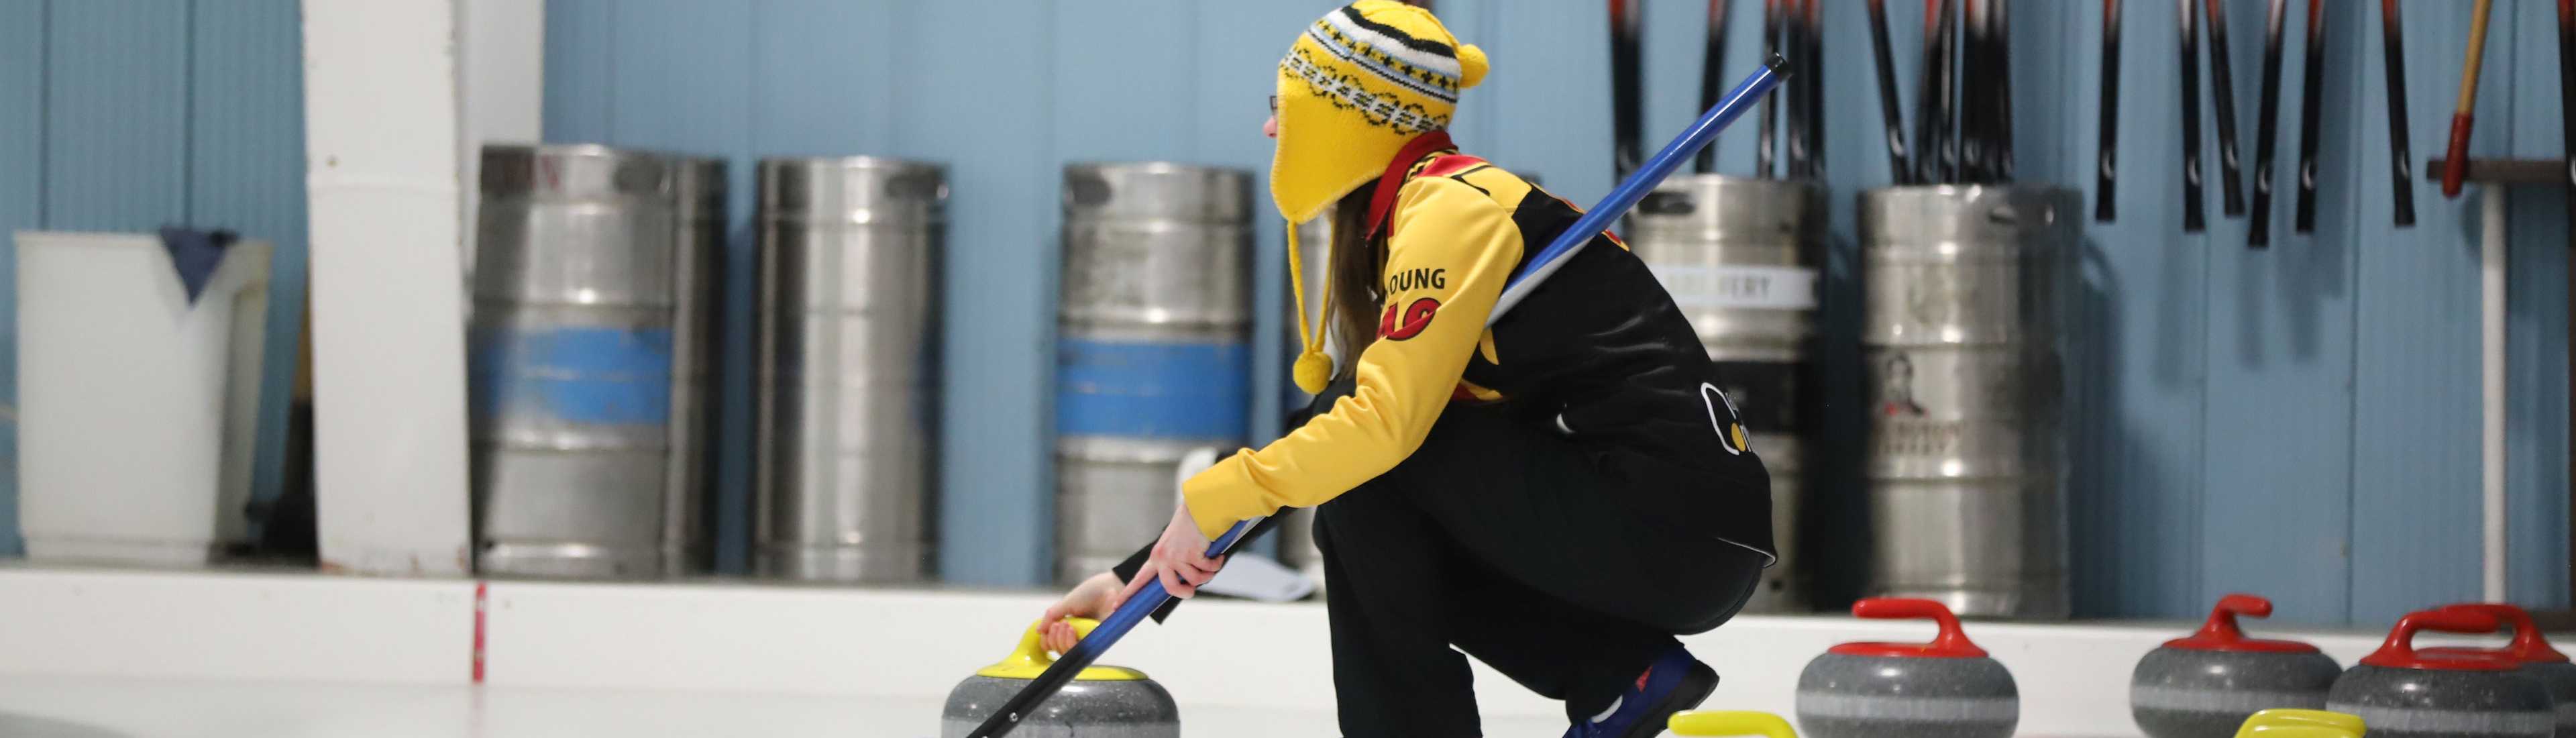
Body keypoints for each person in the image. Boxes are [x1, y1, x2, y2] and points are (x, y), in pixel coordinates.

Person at [1038, 3, 1774, 736]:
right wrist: (1139, 576)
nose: (1271, 128)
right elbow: (1341, 414)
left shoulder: (1453, 211)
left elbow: (1379, 427)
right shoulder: (1431, 210)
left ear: (1346, 114)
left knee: (1366, 477)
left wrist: (1217, 495)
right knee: (1365, 507)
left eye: (1284, 107)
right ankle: (1617, 674)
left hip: (1668, 525)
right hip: (1667, 527)